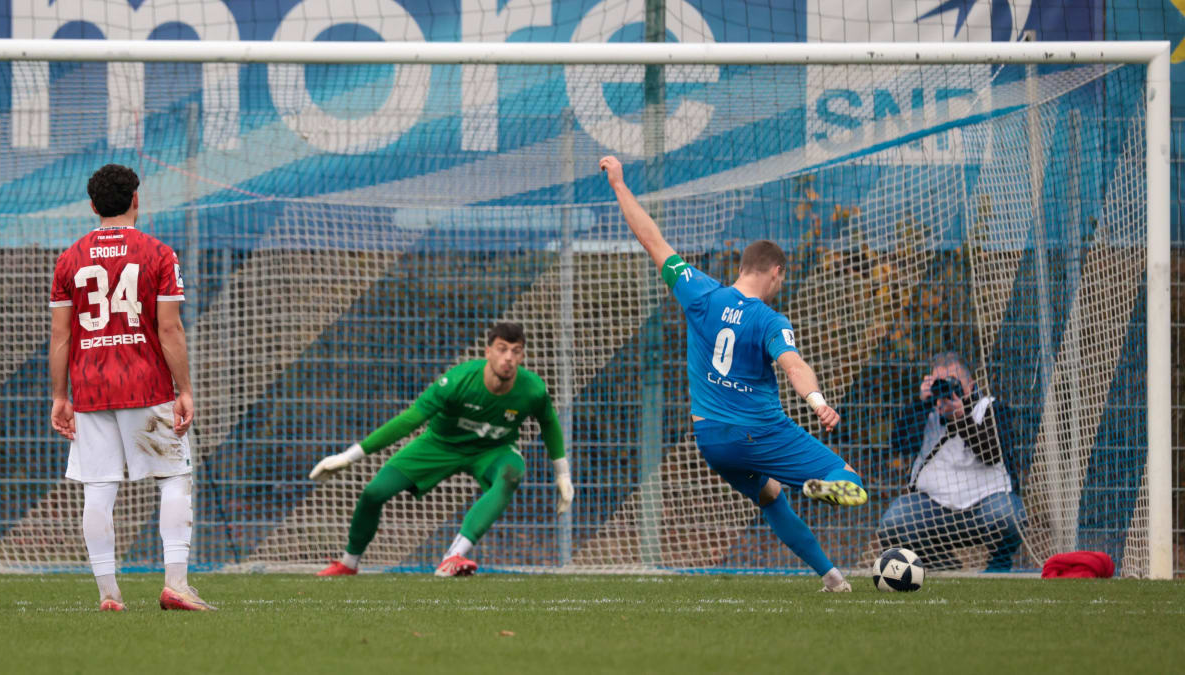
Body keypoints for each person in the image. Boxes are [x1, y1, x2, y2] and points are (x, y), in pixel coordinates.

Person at [599, 156, 868, 592]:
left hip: (712, 440)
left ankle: (833, 579)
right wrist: (818, 403)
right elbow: (794, 364)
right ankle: (824, 486)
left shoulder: (700, 293)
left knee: (770, 496)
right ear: (776, 272)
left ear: (743, 267)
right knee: (851, 479)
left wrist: (619, 185)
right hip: (758, 431)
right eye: (782, 278)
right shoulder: (769, 319)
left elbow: (652, 240)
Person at [48, 164, 213, 611]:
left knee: (98, 488)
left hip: (90, 388)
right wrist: (185, 389)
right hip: (145, 385)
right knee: (174, 477)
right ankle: (176, 584)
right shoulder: (158, 253)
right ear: (136, 199)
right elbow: (170, 328)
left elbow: (61, 335)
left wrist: (60, 396)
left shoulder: (69, 259)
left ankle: (108, 593)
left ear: (92, 206)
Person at [310, 322, 573, 577]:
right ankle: (348, 563)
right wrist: (348, 456)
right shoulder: (457, 381)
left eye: (516, 351)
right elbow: (409, 420)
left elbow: (549, 423)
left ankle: (453, 557)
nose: (508, 358)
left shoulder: (533, 389)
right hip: (439, 445)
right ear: (488, 352)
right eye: (502, 349)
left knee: (511, 474)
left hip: (493, 450)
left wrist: (563, 474)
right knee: (373, 493)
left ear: (522, 356)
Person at [877, 351, 1026, 571]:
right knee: (894, 523)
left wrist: (961, 418)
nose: (947, 389)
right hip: (933, 507)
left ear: (971, 384)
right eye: (940, 383)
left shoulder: (990, 408)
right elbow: (900, 444)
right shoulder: (926, 411)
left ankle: (999, 563)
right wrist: (920, 404)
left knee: (1008, 515)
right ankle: (940, 562)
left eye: (954, 382)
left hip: (984, 506)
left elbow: (992, 454)